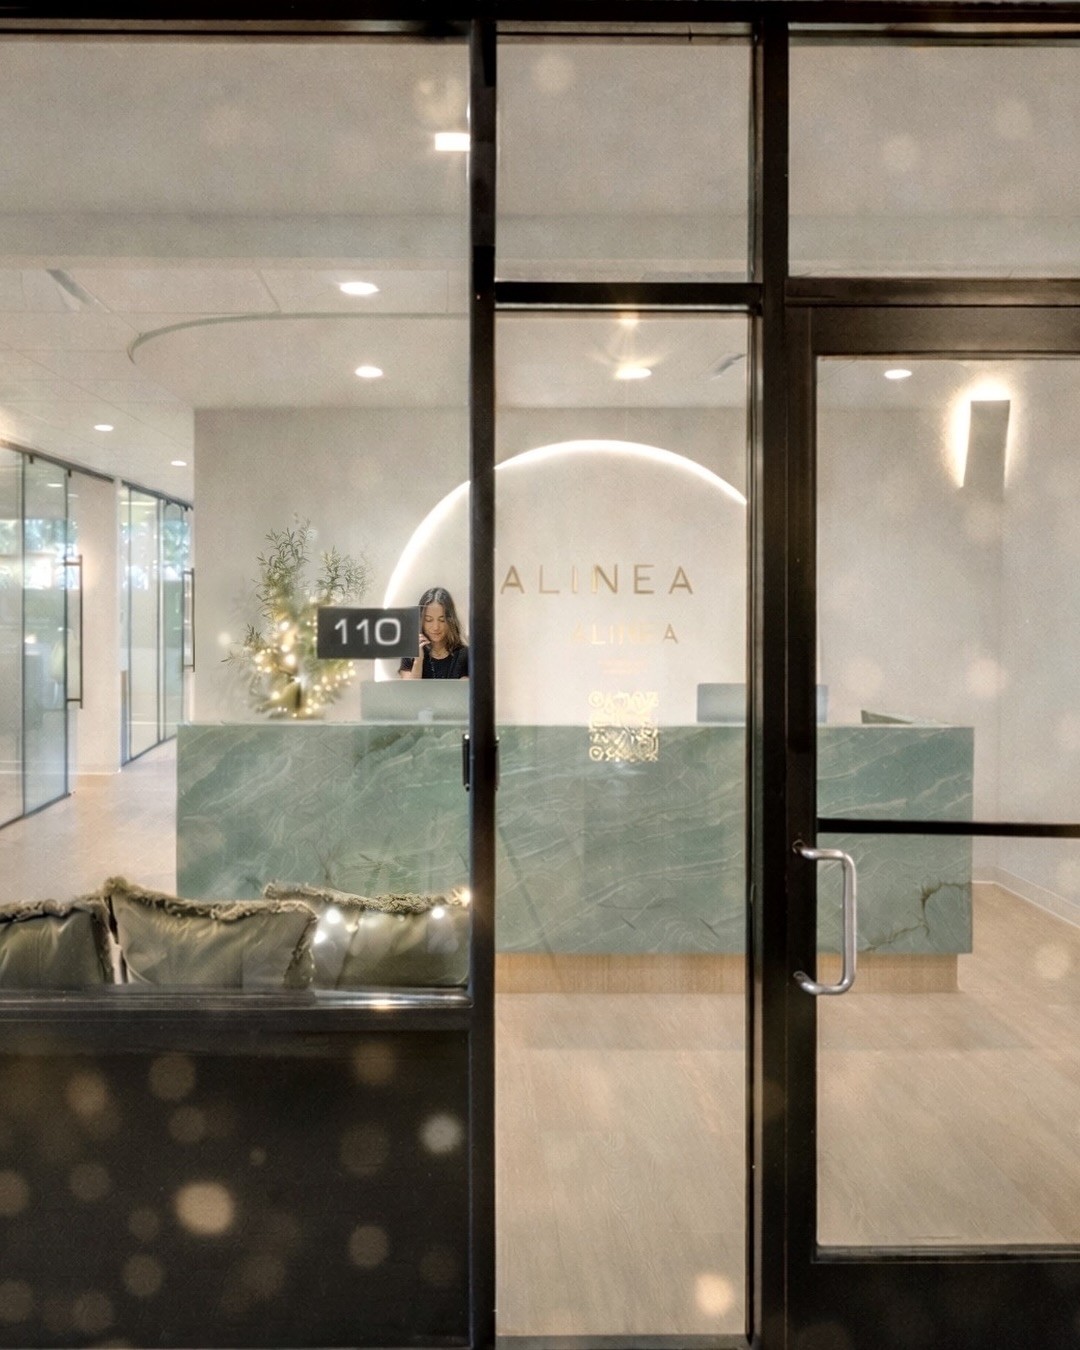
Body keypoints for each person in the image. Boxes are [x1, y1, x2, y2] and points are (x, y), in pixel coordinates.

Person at [398, 586, 469, 679]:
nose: (436, 627)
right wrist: (418, 661)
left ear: (450, 620)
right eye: (429, 620)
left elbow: (466, 691)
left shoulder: (465, 655)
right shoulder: (410, 652)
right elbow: (409, 691)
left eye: (442, 620)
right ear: (421, 621)